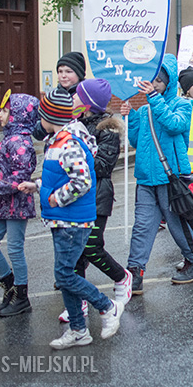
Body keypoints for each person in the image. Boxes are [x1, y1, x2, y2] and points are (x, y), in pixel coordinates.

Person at [19, 89, 124, 350]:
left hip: (72, 220)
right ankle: (78, 330)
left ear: (48, 117)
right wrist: (39, 186)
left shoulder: (68, 142)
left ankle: (107, 306)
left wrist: (54, 198)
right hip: (62, 219)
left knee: (65, 275)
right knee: (65, 274)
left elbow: (82, 182)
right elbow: (62, 177)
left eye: (40, 116)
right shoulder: (59, 140)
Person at [120, 54, 193, 293]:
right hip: (146, 178)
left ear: (168, 82)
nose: (154, 84)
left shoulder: (181, 104)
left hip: (172, 178)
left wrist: (155, 100)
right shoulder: (147, 107)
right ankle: (135, 271)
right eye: (152, 79)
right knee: (143, 226)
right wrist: (132, 118)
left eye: (159, 80)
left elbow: (175, 125)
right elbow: (136, 141)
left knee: (176, 224)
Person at [58, 78, 132, 323]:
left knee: (90, 246)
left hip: (98, 195)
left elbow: (103, 166)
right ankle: (76, 304)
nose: (73, 99)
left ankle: (121, 276)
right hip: (78, 196)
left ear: (88, 102)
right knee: (75, 253)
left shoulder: (107, 128)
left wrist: (79, 157)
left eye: (78, 95)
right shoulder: (75, 124)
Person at [0, 91, 39, 317]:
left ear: (16, 116)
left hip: (16, 205)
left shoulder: (21, 142)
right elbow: (4, 171)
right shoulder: (10, 138)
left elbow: (21, 177)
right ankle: (10, 286)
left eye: (4, 110)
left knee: (15, 249)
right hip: (2, 204)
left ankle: (22, 296)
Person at [33, 51, 87, 141]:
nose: (63, 76)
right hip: (55, 146)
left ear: (79, 74)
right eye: (60, 71)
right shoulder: (52, 95)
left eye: (69, 72)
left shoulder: (86, 95)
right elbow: (38, 129)